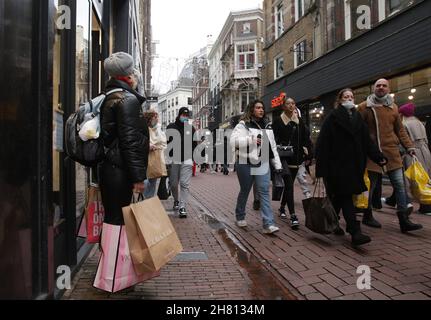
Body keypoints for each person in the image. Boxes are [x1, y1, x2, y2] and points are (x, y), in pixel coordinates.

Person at [315, 89, 387, 246]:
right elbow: (322, 144)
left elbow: (367, 140)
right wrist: (320, 170)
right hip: (336, 167)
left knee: (339, 198)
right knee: (346, 196)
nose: (349, 99)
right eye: (346, 96)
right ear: (340, 100)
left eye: (351, 97)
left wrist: (378, 156)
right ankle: (355, 232)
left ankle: (332, 223)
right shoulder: (332, 118)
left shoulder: (358, 118)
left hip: (354, 166)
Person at [358, 79, 422, 233]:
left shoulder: (393, 107)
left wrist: (409, 147)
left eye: (384, 85)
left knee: (400, 185)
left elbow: (400, 130)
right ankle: (367, 215)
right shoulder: (364, 107)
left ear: (389, 88)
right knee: (370, 187)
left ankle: (404, 220)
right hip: (372, 153)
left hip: (392, 153)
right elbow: (357, 129)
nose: (381, 87)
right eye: (378, 85)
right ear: (374, 88)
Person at [99, 52, 149, 225]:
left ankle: (112, 252)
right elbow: (130, 142)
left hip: (110, 170)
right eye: (133, 70)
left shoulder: (109, 95)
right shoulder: (127, 99)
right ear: (128, 75)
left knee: (112, 220)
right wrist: (138, 177)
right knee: (117, 222)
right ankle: (114, 253)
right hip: (120, 172)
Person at [230, 100, 283, 234]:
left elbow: (273, 147)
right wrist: (250, 140)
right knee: (245, 190)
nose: (261, 110)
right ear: (252, 109)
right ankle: (240, 216)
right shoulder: (243, 125)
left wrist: (278, 164)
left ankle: (268, 224)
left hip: (262, 161)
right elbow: (233, 141)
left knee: (264, 191)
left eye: (262, 108)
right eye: (258, 107)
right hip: (245, 161)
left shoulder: (267, 126)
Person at [272, 98, 313, 230]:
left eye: (293, 103)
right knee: (289, 184)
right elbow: (272, 140)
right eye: (288, 103)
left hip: (296, 159)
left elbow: (306, 139)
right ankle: (293, 216)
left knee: (288, 187)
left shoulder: (299, 121)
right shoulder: (278, 121)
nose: (291, 105)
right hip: (283, 158)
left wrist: (308, 153)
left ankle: (282, 207)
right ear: (283, 106)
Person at [398, 103, 431, 215]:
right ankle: (426, 204)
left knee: (411, 179)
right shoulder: (420, 123)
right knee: (424, 177)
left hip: (412, 153)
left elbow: (403, 142)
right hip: (425, 152)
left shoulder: (404, 124)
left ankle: (409, 203)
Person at [167, 107, 197, 218]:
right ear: (179, 115)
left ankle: (182, 206)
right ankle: (176, 200)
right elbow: (167, 143)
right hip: (174, 159)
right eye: (183, 115)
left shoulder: (191, 129)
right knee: (173, 184)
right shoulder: (171, 127)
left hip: (187, 159)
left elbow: (194, 145)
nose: (185, 117)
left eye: (187, 116)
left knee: (184, 184)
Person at [143, 109, 167, 199]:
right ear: (149, 118)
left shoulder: (159, 129)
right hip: (144, 158)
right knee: (145, 182)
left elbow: (163, 142)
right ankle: (144, 200)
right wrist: (147, 146)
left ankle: (149, 202)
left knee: (153, 182)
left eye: (157, 117)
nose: (157, 119)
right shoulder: (143, 128)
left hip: (156, 157)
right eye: (155, 117)